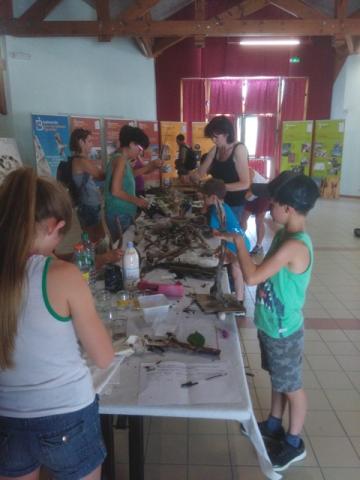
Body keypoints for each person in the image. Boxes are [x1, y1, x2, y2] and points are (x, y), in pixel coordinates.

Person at [0, 167, 114, 479]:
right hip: (67, 415)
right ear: (55, 226)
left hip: (6, 417)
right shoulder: (62, 276)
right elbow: (104, 357)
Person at [216, 171, 319, 472]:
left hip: (285, 330)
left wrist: (238, 242)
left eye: (272, 203)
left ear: (287, 208)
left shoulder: (295, 245)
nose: (268, 207)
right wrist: (234, 255)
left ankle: (294, 442)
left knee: (292, 387)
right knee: (278, 378)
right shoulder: (286, 235)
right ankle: (273, 424)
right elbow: (262, 270)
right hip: (271, 324)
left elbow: (251, 277)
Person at [105, 125, 161, 243]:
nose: (140, 153)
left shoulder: (122, 160)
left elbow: (131, 175)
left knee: (124, 246)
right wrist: (138, 201)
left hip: (122, 213)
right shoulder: (120, 160)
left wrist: (151, 166)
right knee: (123, 247)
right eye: (140, 149)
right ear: (131, 144)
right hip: (119, 213)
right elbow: (115, 190)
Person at [191, 115, 250, 222]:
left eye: (216, 137)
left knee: (229, 234)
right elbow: (200, 173)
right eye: (211, 137)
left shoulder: (239, 149)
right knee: (216, 232)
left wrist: (218, 188)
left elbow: (245, 183)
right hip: (217, 200)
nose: (213, 140)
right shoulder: (215, 149)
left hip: (234, 202)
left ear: (227, 134)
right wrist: (192, 176)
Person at [201, 178, 250, 303]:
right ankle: (238, 299)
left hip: (234, 245)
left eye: (204, 197)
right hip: (243, 241)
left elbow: (215, 233)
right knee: (236, 270)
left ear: (212, 197)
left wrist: (204, 208)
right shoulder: (225, 206)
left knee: (235, 270)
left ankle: (237, 300)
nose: (203, 199)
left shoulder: (215, 211)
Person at [70, 128, 106, 244]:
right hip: (88, 206)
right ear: (81, 142)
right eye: (89, 141)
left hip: (88, 204)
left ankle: (93, 258)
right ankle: (92, 260)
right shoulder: (81, 161)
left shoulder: (81, 160)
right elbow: (100, 175)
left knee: (95, 237)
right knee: (96, 238)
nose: (92, 144)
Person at [241, 168, 270, 256]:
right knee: (243, 218)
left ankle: (259, 246)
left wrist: (240, 199)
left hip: (263, 192)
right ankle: (240, 240)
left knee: (259, 220)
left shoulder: (247, 170)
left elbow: (249, 190)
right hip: (252, 194)